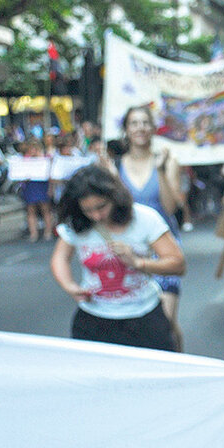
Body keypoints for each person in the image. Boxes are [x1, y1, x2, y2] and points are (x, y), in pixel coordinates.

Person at [49, 165, 185, 351]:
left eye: (101, 207)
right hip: (94, 319)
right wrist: (69, 286)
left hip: (143, 317)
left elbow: (177, 264)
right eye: (88, 210)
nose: (96, 215)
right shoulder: (77, 224)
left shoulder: (144, 218)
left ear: (114, 197)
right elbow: (60, 257)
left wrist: (138, 262)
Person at [116, 106, 186, 348]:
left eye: (145, 123)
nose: (140, 128)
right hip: (130, 249)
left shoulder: (168, 161)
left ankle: (178, 361)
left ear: (153, 128)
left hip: (163, 247)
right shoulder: (116, 166)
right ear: (126, 129)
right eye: (134, 123)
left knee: (165, 322)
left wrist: (160, 169)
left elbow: (169, 207)